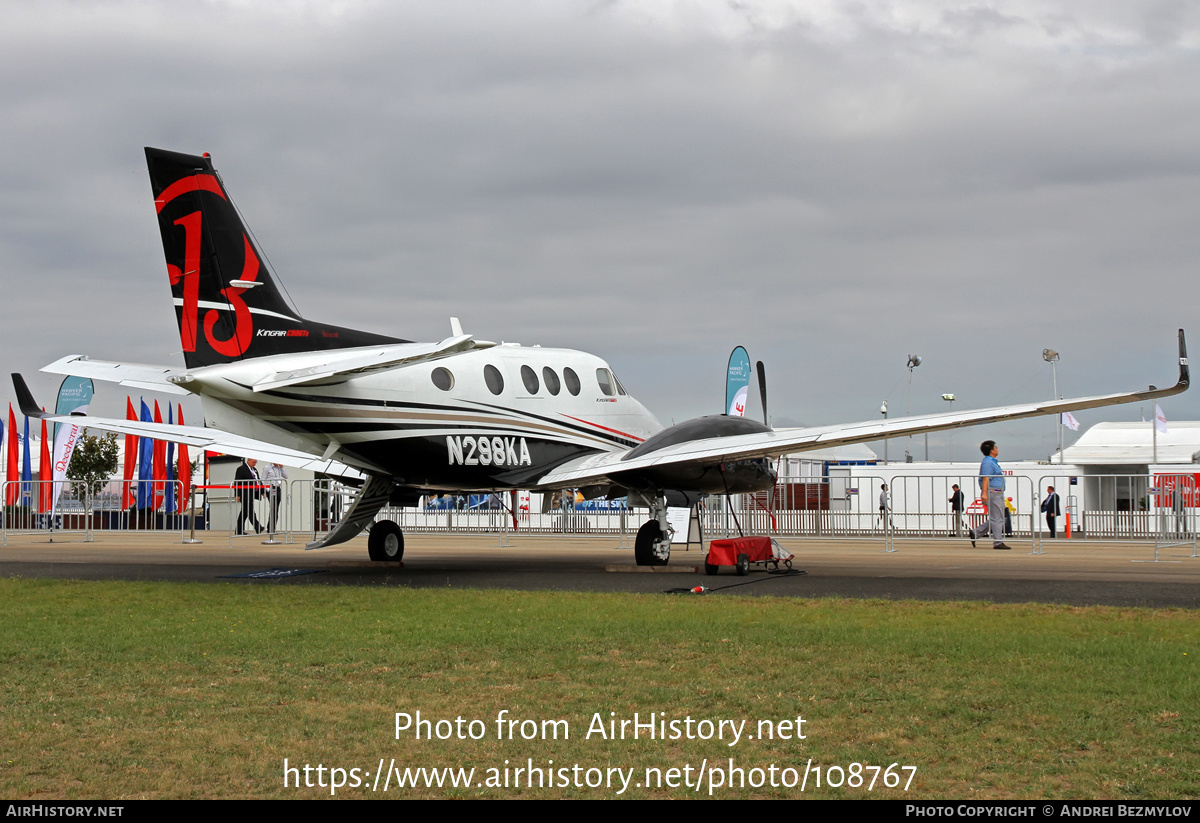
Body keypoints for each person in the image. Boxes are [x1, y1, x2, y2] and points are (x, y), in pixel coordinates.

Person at [969, 440, 1011, 550]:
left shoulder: (991, 461)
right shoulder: (988, 462)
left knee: (997, 517)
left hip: (996, 492)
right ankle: (997, 542)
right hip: (993, 492)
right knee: (997, 518)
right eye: (996, 447)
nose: (997, 449)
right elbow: (986, 477)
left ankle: (976, 532)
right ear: (992, 450)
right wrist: (984, 492)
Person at [234, 457, 264, 535]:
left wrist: (263, 491)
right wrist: (237, 494)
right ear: (249, 461)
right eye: (253, 462)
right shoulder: (241, 469)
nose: (255, 464)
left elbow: (258, 481)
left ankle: (239, 530)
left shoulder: (254, 470)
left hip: (251, 493)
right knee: (250, 511)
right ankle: (258, 526)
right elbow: (237, 482)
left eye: (256, 462)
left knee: (244, 513)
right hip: (244, 493)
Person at [264, 462, 288, 534]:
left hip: (277, 488)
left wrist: (282, 468)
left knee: (276, 508)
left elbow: (286, 476)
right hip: (270, 488)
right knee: (273, 507)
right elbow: (263, 479)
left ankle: (272, 527)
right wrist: (266, 490)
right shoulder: (267, 467)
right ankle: (270, 528)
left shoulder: (279, 468)